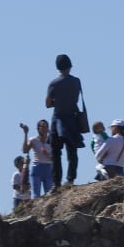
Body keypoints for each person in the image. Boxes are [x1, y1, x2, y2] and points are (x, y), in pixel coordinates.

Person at [45, 54, 85, 188]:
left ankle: (56, 183)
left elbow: (48, 103)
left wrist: (58, 101)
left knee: (56, 153)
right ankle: (71, 179)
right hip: (72, 119)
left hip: (58, 120)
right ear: (70, 65)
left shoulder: (54, 83)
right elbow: (76, 99)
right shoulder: (76, 81)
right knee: (72, 152)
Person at [20, 120, 54, 198]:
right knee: (36, 195)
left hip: (48, 168)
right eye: (42, 126)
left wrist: (47, 154)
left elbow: (55, 157)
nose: (44, 128)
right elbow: (25, 150)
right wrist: (26, 134)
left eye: (45, 126)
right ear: (38, 128)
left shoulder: (51, 140)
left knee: (50, 195)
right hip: (37, 167)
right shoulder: (33, 140)